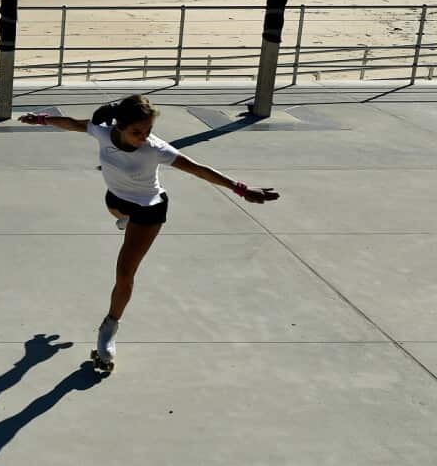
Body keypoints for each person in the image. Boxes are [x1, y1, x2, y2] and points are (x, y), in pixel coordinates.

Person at [18, 94, 279, 372]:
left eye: (148, 131)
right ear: (118, 126)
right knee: (116, 211)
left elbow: (199, 170)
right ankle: (124, 222)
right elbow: (72, 123)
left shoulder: (155, 149)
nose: (144, 137)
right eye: (137, 132)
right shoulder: (102, 132)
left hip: (148, 210)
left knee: (124, 275)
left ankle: (108, 330)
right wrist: (42, 120)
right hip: (116, 201)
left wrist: (240, 189)